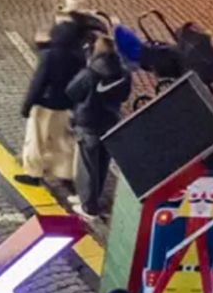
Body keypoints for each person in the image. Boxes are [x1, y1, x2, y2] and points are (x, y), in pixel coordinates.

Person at [65, 34, 129, 219]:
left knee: (87, 166)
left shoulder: (90, 73)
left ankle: (88, 206)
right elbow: (124, 96)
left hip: (89, 122)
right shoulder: (123, 73)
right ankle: (91, 198)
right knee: (101, 163)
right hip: (109, 122)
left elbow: (72, 91)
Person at [16, 17, 83, 186]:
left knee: (36, 140)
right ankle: (65, 173)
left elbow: (38, 82)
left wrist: (27, 105)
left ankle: (34, 173)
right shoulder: (79, 57)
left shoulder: (49, 56)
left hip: (45, 104)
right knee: (63, 141)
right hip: (66, 104)